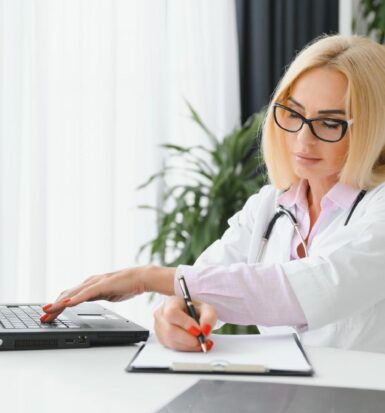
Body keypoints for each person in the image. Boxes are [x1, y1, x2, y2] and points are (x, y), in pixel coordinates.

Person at [41, 34, 385, 353]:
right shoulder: (270, 205)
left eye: (329, 123)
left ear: (373, 128)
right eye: (293, 113)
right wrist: (178, 315)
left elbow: (309, 289)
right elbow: (204, 284)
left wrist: (149, 278)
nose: (302, 139)